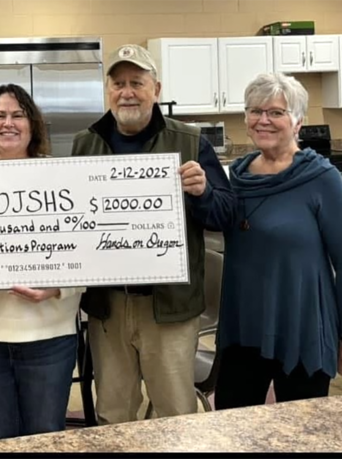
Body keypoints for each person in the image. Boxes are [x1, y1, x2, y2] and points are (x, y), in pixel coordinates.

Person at [70, 44, 236, 424]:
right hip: (107, 306)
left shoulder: (191, 141)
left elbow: (226, 214)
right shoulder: (85, 143)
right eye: (118, 83)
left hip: (170, 308)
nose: (127, 91)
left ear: (156, 89)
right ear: (107, 90)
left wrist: (203, 193)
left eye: (137, 83)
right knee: (113, 413)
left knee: (176, 414)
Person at [213, 72, 342, 409]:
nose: (263, 120)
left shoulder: (321, 179)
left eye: (276, 112)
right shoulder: (235, 177)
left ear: (297, 122)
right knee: (233, 431)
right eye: (255, 111)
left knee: (304, 434)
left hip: (302, 327)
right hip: (244, 326)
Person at [0, 84, 85, 442]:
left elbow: (88, 250)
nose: (8, 123)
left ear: (33, 125)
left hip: (50, 337)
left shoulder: (62, 176)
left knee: (45, 436)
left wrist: (58, 286)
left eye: (18, 115)